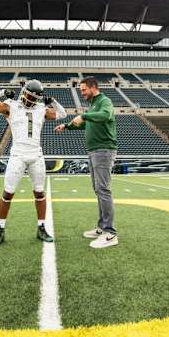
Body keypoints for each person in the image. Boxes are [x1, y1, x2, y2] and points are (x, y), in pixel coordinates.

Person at [0, 80, 67, 247]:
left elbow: (62, 114)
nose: (30, 99)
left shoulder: (41, 109)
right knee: (8, 193)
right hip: (18, 155)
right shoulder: (11, 106)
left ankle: (41, 228)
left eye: (34, 97)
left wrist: (53, 102)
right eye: (28, 95)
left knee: (40, 193)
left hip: (36, 155)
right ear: (23, 92)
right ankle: (0, 230)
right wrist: (3, 91)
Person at [54, 76, 118, 249]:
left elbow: (106, 115)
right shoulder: (92, 105)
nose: (81, 93)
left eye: (83, 90)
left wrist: (83, 115)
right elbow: (86, 124)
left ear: (93, 88)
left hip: (104, 150)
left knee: (103, 189)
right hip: (94, 151)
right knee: (98, 189)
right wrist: (67, 126)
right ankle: (101, 227)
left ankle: (110, 233)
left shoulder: (104, 101)